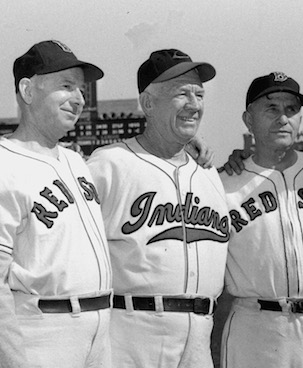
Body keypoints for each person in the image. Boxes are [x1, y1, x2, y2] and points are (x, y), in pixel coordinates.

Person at [86, 48, 230, 368]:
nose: (194, 105)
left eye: (199, 94)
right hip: (134, 332)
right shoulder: (110, 164)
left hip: (199, 337)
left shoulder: (208, 173)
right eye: (182, 94)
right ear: (148, 103)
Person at [0, 40, 113, 367]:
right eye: (66, 86)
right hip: (43, 333)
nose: (78, 98)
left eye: (80, 89)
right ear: (27, 90)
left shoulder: (77, 161)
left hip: (99, 332)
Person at [218, 72, 303, 368]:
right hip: (259, 331)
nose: (283, 118)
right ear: (248, 120)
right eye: (271, 108)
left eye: (291, 109)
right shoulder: (223, 184)